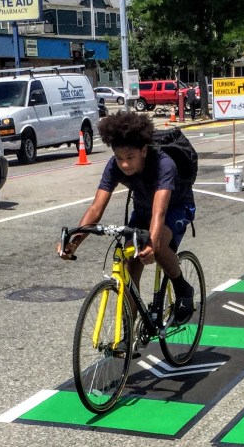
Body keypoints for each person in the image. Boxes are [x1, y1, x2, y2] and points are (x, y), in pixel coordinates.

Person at [58, 112, 195, 323]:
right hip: (142, 210)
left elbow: (159, 211)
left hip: (176, 207)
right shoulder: (114, 166)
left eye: (130, 158)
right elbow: (96, 208)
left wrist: (151, 244)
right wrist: (75, 242)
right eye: (119, 158)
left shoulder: (163, 164)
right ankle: (128, 330)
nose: (124, 165)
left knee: (156, 246)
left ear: (144, 150)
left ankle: (182, 288)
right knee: (130, 263)